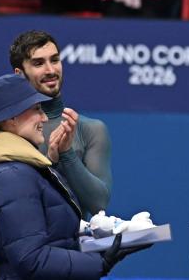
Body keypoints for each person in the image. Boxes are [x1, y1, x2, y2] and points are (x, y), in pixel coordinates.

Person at [0, 74, 146, 279]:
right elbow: (32, 258)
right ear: (11, 118)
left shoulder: (17, 171)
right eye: (36, 109)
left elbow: (50, 242)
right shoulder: (11, 176)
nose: (44, 118)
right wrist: (100, 261)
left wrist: (101, 243)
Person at [9, 30, 112, 218]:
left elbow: (99, 204)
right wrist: (51, 162)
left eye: (54, 60)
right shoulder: (9, 130)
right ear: (19, 74)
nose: (50, 70)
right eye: (39, 63)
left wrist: (67, 153)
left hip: (73, 245)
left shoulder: (90, 130)